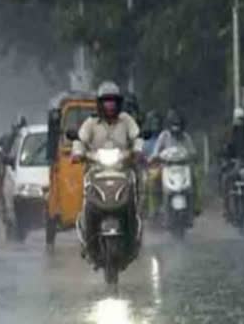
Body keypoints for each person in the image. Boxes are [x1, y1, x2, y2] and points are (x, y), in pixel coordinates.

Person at [72, 81, 142, 255]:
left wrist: (138, 150)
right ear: (100, 103)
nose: (110, 105)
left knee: (134, 192)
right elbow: (79, 140)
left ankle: (134, 235)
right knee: (86, 199)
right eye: (106, 101)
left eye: (113, 101)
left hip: (122, 169)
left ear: (118, 103)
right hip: (96, 170)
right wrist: (78, 153)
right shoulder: (91, 123)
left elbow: (137, 136)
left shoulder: (126, 120)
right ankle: (88, 238)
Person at [152, 109, 200, 215]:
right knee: (154, 179)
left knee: (195, 177)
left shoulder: (186, 137)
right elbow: (156, 151)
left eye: (178, 124)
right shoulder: (164, 136)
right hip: (166, 167)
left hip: (183, 167)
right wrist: (155, 157)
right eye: (174, 124)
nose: (176, 127)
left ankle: (195, 204)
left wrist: (193, 157)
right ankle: (156, 206)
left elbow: (192, 151)